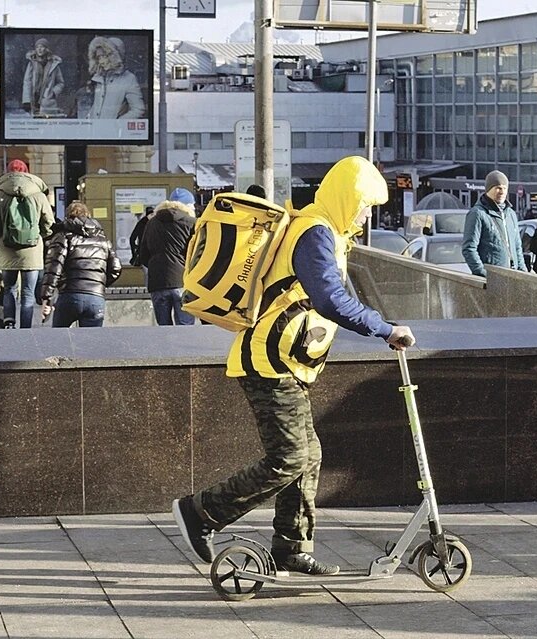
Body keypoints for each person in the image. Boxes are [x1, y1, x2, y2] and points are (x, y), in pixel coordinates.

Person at [172, 156, 416, 575]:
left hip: (288, 361)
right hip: (268, 361)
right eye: (365, 204)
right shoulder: (315, 233)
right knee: (289, 457)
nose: (366, 213)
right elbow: (330, 300)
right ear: (347, 197)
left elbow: (343, 297)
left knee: (309, 455)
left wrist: (384, 324)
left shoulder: (331, 234)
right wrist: (383, 329)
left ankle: (290, 546)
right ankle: (201, 512)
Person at [0, 159, 55, 328]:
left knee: (9, 288)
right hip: (32, 251)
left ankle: (9, 322)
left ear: (8, 172)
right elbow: (49, 223)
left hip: (7, 250)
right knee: (28, 294)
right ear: (27, 172)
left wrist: (1, 236)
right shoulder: (38, 194)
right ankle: (25, 328)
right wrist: (39, 236)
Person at [39, 201, 122, 327]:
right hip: (95, 298)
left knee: (59, 340)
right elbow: (116, 268)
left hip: (69, 295)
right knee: (91, 343)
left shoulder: (63, 237)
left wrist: (47, 297)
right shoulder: (103, 240)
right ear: (88, 215)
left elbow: (53, 268)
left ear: (67, 217)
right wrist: (98, 283)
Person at [139, 187, 196, 326]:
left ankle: (166, 348)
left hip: (157, 282)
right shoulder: (191, 223)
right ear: (187, 205)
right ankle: (183, 349)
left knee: (163, 328)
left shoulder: (151, 223)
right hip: (184, 281)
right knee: (185, 326)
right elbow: (198, 253)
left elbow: (143, 254)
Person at [462, 170, 526, 277]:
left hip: (513, 277)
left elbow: (517, 247)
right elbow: (469, 248)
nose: (502, 192)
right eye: (498, 188)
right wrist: (483, 273)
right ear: (488, 189)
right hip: (493, 279)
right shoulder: (477, 214)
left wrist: (523, 271)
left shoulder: (511, 214)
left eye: (504, 188)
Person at [79, 36, 146, 119]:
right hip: (94, 130)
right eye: (99, 57)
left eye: (105, 56)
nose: (101, 61)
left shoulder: (128, 79)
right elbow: (96, 106)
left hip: (113, 130)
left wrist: (117, 124)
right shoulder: (98, 78)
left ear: (115, 56)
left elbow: (138, 109)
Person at [21, 38, 65, 117]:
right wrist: (26, 100)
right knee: (35, 126)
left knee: (48, 126)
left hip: (48, 102)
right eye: (37, 47)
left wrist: (53, 92)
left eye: (42, 47)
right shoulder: (32, 63)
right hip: (33, 100)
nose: (39, 49)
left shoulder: (54, 64)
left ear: (47, 49)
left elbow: (61, 82)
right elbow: (27, 81)